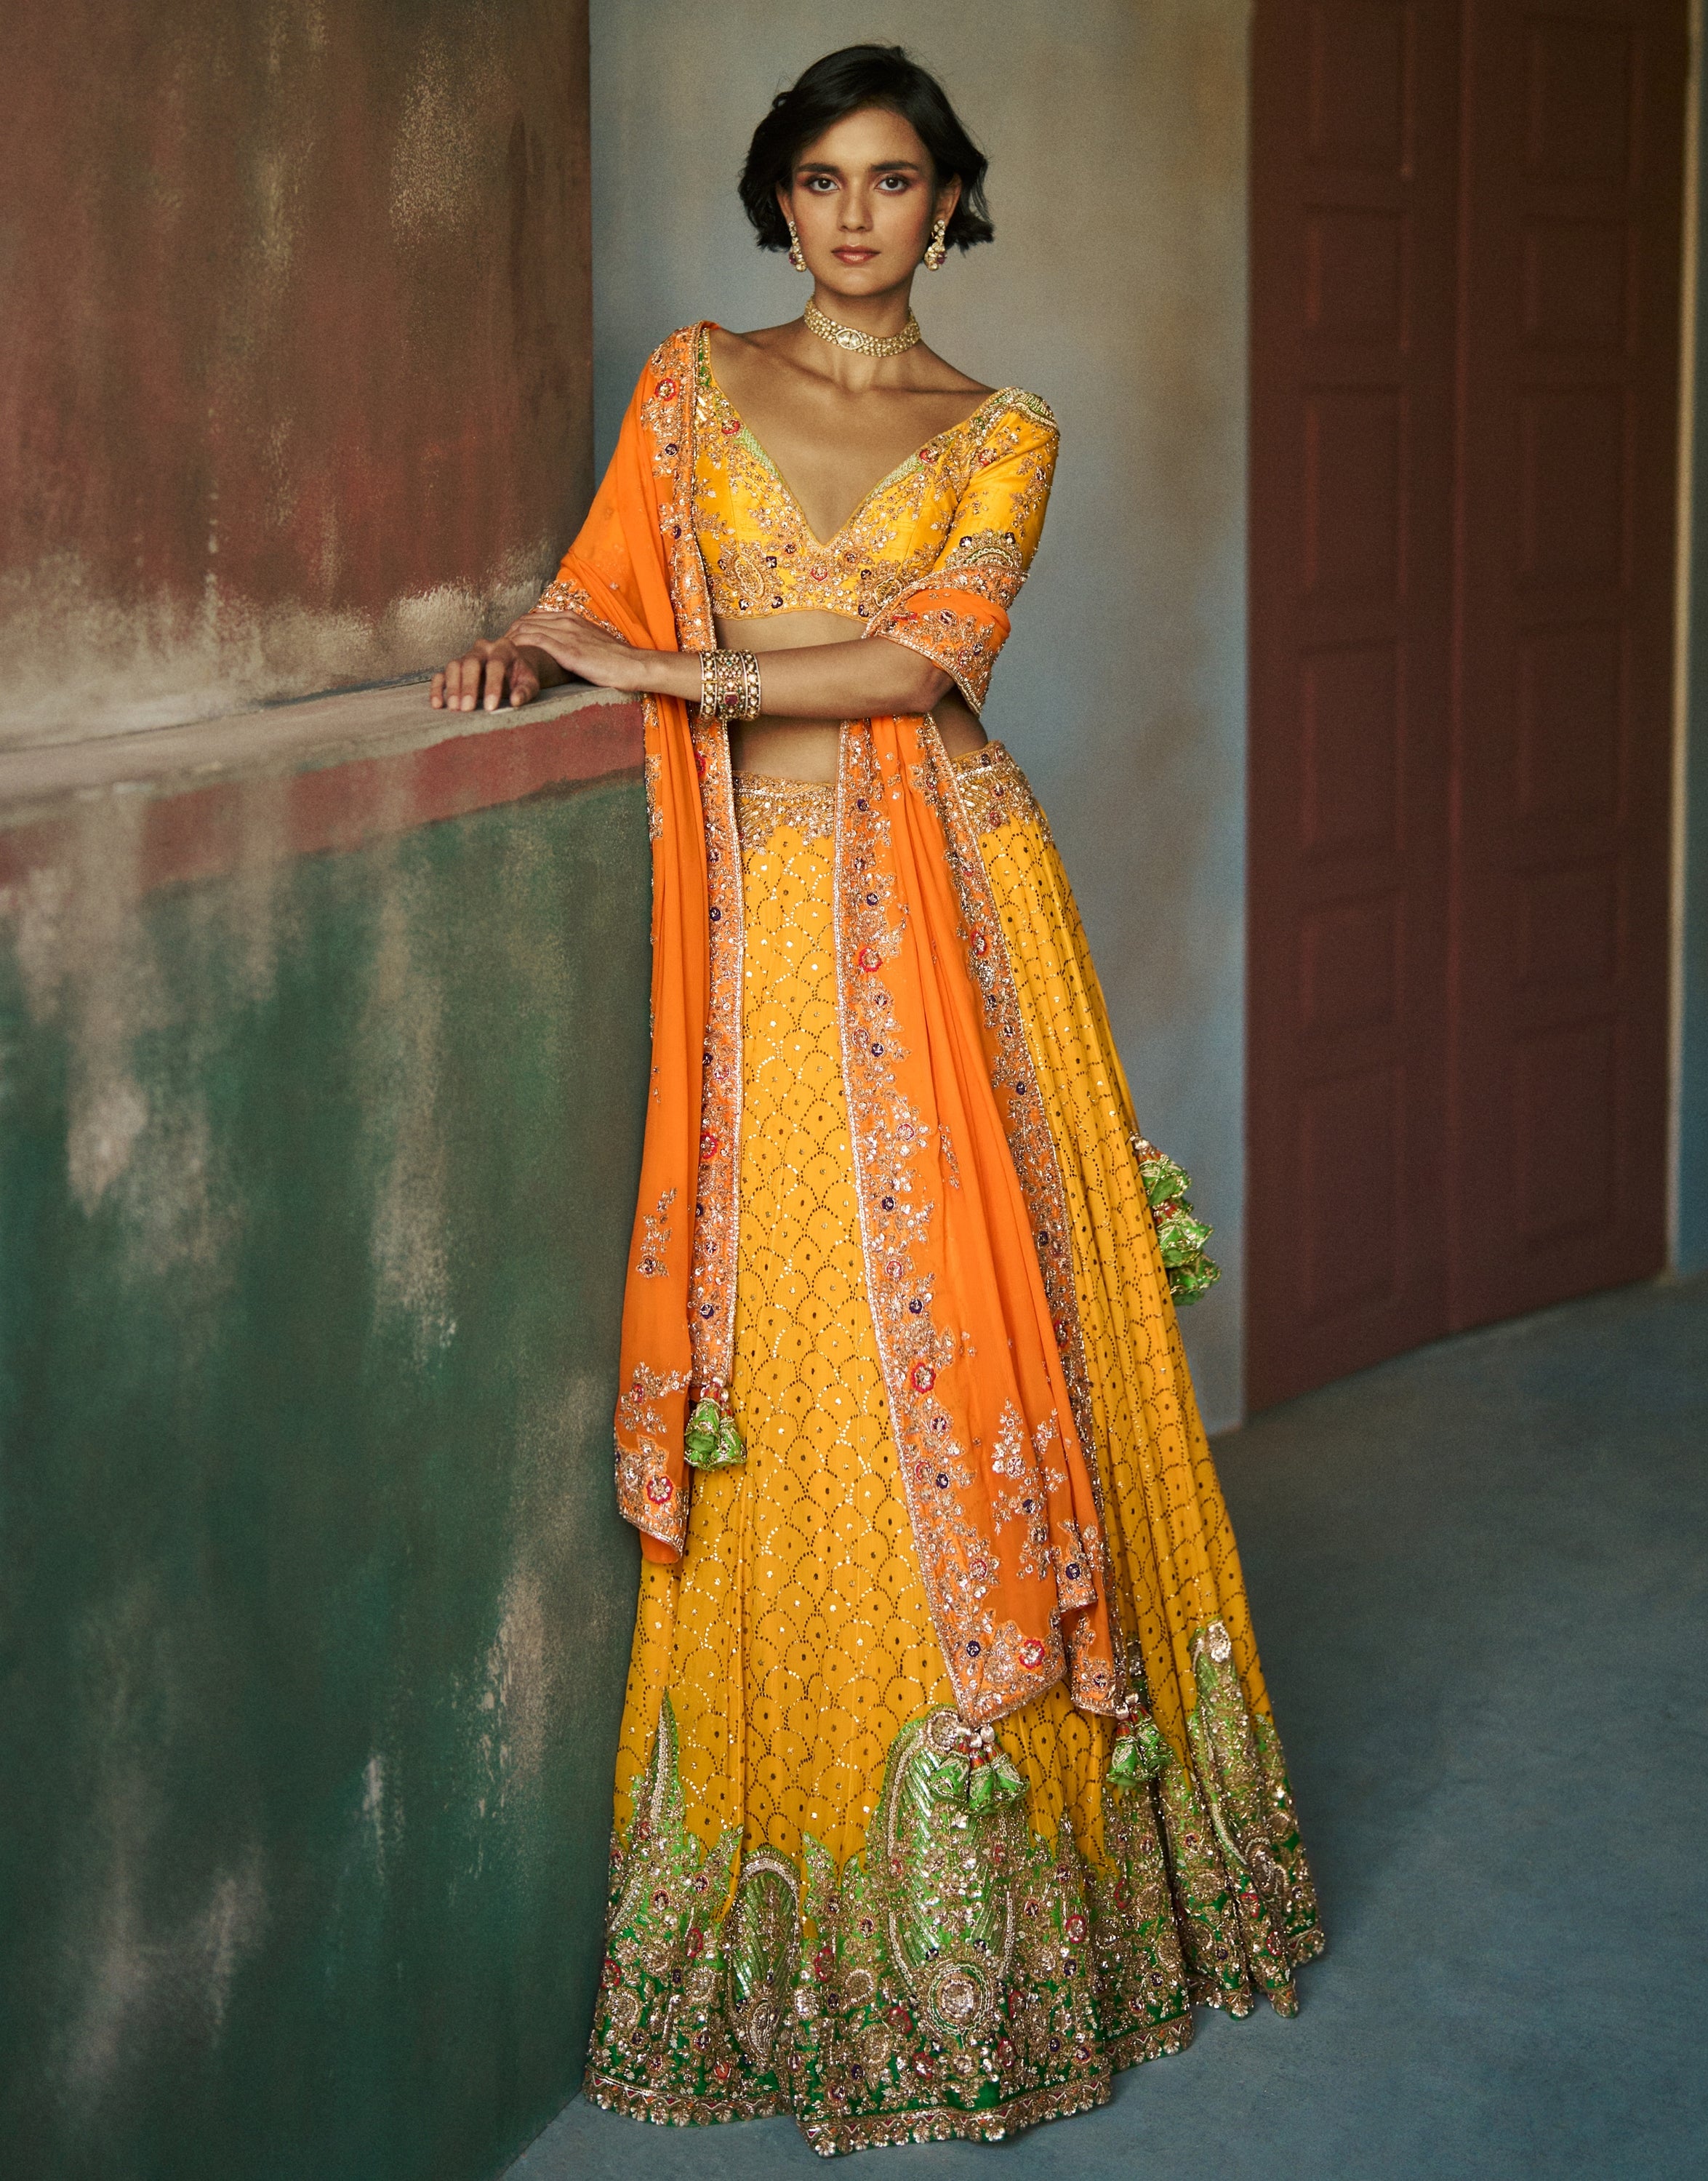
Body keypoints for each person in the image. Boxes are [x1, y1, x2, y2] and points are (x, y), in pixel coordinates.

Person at [433, 42, 1323, 2158]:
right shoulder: (689, 385)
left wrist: (669, 678)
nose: (854, 215)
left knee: (993, 1336)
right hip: (761, 933)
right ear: (779, 199)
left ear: (948, 203)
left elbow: (923, 669)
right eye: (822, 178)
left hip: (950, 912)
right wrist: (534, 650)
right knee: (802, 1366)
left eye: (894, 179)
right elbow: (599, 585)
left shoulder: (999, 433)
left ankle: (1027, 1901)